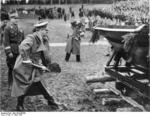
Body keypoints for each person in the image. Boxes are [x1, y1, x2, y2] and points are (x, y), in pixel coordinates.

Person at [11, 21, 58, 111]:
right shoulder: (31, 38)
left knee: (38, 82)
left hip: (34, 64)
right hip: (24, 65)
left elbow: (45, 54)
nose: (47, 32)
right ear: (39, 30)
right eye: (45, 30)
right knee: (25, 84)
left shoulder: (43, 39)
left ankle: (51, 102)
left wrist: (47, 65)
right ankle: (19, 105)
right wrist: (26, 59)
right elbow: (22, 47)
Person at [3, 13, 24, 89]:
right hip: (12, 50)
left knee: (18, 67)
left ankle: (17, 83)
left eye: (17, 18)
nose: (16, 20)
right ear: (10, 19)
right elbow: (6, 42)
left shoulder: (21, 28)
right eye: (14, 18)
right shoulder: (7, 28)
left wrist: (23, 50)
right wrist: (9, 52)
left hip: (19, 50)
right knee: (11, 67)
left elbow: (23, 40)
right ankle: (10, 84)